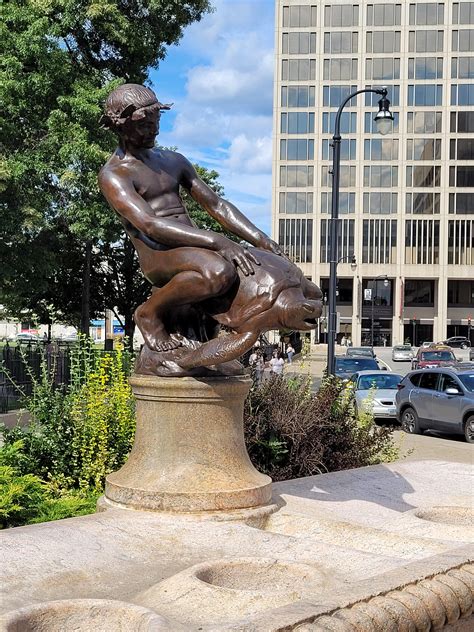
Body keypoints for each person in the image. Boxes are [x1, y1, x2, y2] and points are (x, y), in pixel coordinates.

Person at [98, 84, 283, 352]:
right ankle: (149, 314)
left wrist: (260, 238)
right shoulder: (115, 175)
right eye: (146, 125)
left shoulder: (173, 160)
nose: (155, 131)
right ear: (121, 126)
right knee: (218, 271)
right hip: (157, 253)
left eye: (157, 122)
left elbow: (216, 204)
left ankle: (205, 329)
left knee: (251, 266)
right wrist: (218, 242)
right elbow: (150, 224)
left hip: (192, 247)